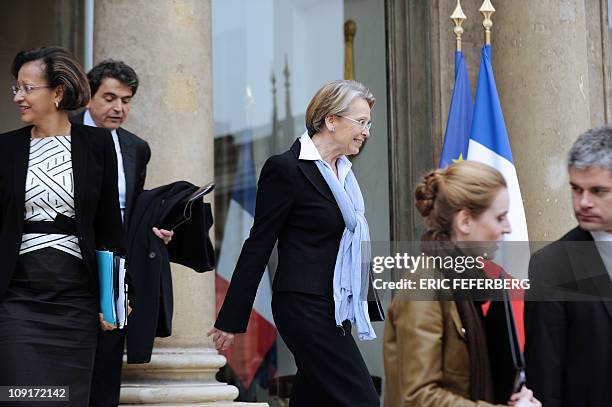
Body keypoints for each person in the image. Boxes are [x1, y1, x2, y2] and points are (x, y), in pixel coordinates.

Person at [208, 80, 380, 406]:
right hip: (303, 305)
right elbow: (258, 244)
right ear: (331, 120)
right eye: (360, 122)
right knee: (362, 400)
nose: (366, 131)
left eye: (368, 123)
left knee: (313, 397)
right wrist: (230, 319)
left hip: (335, 306)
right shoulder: (285, 169)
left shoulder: (344, 175)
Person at [0, 46, 123, 406]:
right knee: (22, 397)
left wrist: (117, 294)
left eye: (26, 88)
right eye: (16, 88)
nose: (18, 97)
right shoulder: (5, 149)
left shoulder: (97, 144)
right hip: (17, 300)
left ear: (57, 92)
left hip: (76, 302)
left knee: (67, 399)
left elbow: (108, 226)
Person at [383, 161, 540, 407]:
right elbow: (417, 397)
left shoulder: (464, 281)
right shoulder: (424, 286)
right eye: (500, 217)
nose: (507, 228)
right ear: (465, 221)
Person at [71, 59, 173, 407]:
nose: (119, 108)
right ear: (88, 97)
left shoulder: (136, 148)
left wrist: (155, 229)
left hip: (114, 267)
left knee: (108, 360)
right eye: (110, 98)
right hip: (66, 263)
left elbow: (134, 210)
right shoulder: (60, 132)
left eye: (126, 100)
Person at [525, 125, 612, 406]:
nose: (583, 202)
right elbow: (544, 381)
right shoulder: (552, 266)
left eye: (598, 191)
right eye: (576, 189)